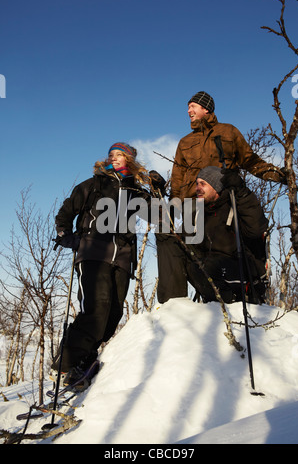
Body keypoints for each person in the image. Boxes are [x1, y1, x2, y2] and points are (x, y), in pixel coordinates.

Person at [156, 90, 285, 303]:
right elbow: (178, 177)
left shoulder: (228, 132)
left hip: (222, 203)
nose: (189, 110)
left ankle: (238, 294)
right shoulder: (185, 142)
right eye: (188, 107)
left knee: (224, 252)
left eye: (193, 106)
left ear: (206, 108)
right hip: (191, 206)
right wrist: (173, 206)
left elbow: (250, 160)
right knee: (183, 249)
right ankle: (176, 307)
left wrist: (276, 174)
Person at [50, 142, 152, 388]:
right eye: (111, 155)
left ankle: (83, 362)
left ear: (130, 160)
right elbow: (65, 213)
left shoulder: (135, 190)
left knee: (113, 313)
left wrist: (156, 189)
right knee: (96, 308)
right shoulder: (93, 184)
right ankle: (65, 364)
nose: (114, 158)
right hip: (94, 252)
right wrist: (67, 236)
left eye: (120, 155)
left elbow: (155, 213)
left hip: (123, 257)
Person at [165, 166, 268, 304]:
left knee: (206, 266)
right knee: (171, 244)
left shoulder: (235, 207)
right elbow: (180, 242)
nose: (197, 188)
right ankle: (175, 303)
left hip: (243, 270)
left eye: (203, 184)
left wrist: (242, 191)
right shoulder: (198, 214)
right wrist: (159, 194)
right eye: (197, 184)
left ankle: (229, 303)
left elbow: (256, 228)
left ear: (217, 187)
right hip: (211, 268)